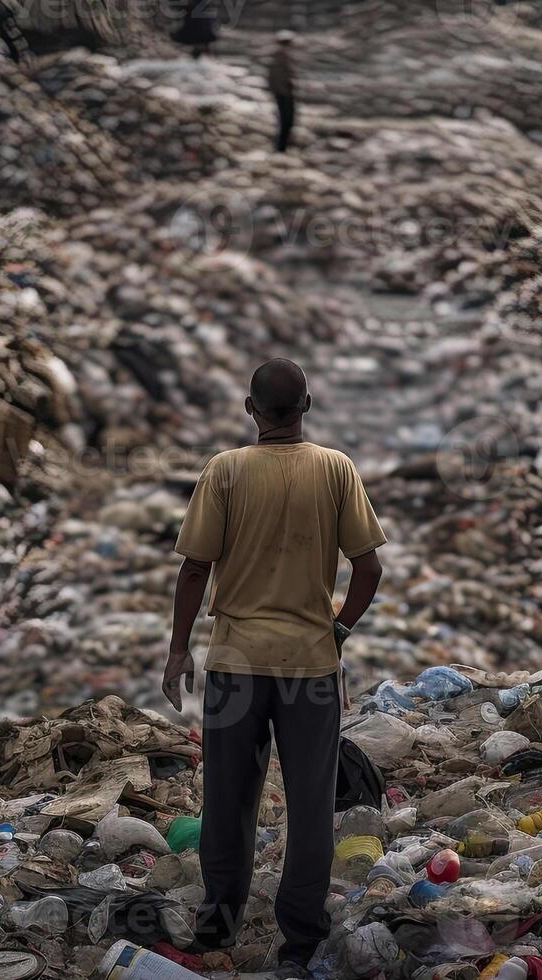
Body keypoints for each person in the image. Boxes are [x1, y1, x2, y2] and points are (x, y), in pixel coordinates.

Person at [165, 358, 386, 974]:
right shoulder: (335, 470)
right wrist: (338, 629)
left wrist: (179, 649)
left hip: (236, 664)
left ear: (250, 409)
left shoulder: (226, 471)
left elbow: (193, 569)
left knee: (229, 796)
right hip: (310, 668)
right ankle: (300, 944)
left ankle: (218, 926)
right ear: (308, 406)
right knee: (310, 803)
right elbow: (367, 569)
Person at [267, 31, 297, 152]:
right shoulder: (280, 56)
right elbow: (277, 77)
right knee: (286, 120)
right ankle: (281, 148)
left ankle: (282, 146)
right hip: (284, 93)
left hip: (283, 92)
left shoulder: (280, 56)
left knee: (286, 121)